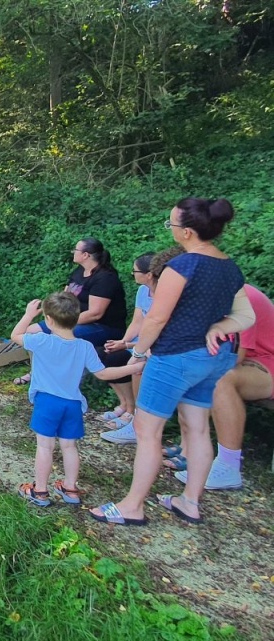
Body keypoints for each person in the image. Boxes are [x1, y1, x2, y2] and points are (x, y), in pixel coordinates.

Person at [90, 198, 251, 526]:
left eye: (172, 224)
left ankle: (132, 506)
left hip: (175, 357)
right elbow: (245, 315)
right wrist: (221, 326)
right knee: (197, 430)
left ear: (188, 232)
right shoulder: (229, 266)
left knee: (148, 431)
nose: (171, 229)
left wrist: (137, 354)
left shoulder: (182, 267)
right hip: (215, 359)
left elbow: (156, 319)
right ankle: (189, 502)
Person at [11, 293, 144, 507]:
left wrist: (28, 315)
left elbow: (16, 335)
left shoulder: (41, 341)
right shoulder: (85, 347)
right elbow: (103, 373)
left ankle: (40, 491)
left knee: (45, 447)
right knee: (69, 446)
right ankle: (70, 489)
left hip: (47, 402)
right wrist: (135, 367)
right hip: (72, 404)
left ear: (48, 320)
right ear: (76, 318)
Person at [160, 284, 274, 491]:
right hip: (245, 362)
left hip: (266, 362)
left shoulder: (240, 299)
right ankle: (190, 450)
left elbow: (236, 357)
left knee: (220, 378)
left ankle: (228, 467)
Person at [16, 237, 128, 384]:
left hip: (102, 327)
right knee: (31, 332)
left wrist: (61, 323)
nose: (73, 252)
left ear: (86, 255)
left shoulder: (105, 278)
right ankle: (37, 372)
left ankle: (62, 380)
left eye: (76, 250)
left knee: (60, 336)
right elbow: (65, 297)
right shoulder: (79, 272)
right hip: (71, 319)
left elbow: (95, 314)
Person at [98, 252, 157, 441]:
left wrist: (130, 345)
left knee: (133, 364)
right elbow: (137, 322)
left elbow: (157, 330)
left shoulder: (165, 295)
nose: (132, 274)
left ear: (149, 274)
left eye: (135, 271)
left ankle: (135, 417)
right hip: (138, 343)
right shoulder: (142, 291)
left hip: (151, 346)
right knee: (105, 354)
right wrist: (123, 342)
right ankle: (125, 404)